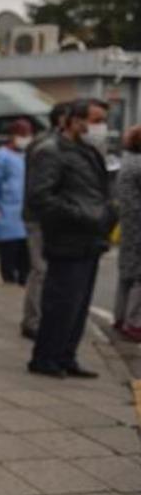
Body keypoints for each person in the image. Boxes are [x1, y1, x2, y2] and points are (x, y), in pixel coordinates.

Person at [26, 97, 116, 378]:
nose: (101, 127)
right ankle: (45, 358)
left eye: (103, 121)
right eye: (95, 120)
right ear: (75, 121)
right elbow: (40, 198)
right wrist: (82, 215)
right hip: (67, 238)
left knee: (78, 306)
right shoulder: (51, 150)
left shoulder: (88, 150)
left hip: (90, 239)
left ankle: (66, 356)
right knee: (61, 303)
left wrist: (107, 213)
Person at [21, 102, 71, 339]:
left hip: (51, 218)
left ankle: (43, 319)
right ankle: (33, 321)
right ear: (62, 120)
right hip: (40, 218)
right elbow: (39, 189)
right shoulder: (47, 146)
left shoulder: (60, 145)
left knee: (47, 271)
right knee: (40, 270)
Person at [0, 119, 34, 285]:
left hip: (26, 209)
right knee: (10, 247)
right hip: (8, 209)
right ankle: (8, 278)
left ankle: (24, 278)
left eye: (28, 135)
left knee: (26, 249)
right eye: (21, 135)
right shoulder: (1, 155)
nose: (25, 138)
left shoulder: (29, 154)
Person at [114, 125, 141, 342]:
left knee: (127, 275)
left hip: (129, 226)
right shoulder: (139, 165)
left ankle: (120, 317)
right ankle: (134, 323)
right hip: (138, 225)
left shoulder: (128, 162)